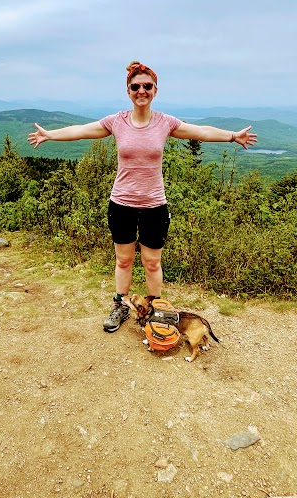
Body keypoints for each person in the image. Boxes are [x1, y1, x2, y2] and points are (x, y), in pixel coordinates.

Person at [27, 61, 258, 333]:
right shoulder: (117, 122)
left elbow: (201, 131)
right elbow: (81, 130)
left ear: (155, 90)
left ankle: (155, 309)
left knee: (152, 262)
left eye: (147, 86)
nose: (141, 91)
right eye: (135, 87)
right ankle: (121, 306)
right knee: (123, 260)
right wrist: (50, 135)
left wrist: (232, 136)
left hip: (154, 206)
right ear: (128, 91)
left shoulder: (164, 123)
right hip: (121, 204)